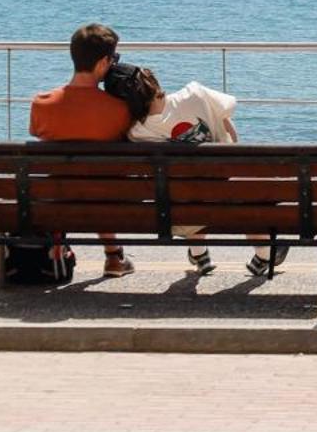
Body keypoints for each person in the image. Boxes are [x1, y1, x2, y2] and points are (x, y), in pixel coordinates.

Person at [104, 63, 289, 280]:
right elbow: (227, 124)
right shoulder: (195, 94)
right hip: (229, 189)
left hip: (184, 209)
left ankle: (200, 254)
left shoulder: (138, 132)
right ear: (152, 80)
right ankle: (265, 254)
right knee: (237, 193)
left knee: (185, 190)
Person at [28, 22, 136, 278]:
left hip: (58, 199)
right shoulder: (119, 110)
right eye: (113, 59)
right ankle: (113, 255)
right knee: (99, 183)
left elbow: (37, 132)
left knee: (69, 180)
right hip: (109, 201)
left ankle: (58, 249)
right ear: (102, 63)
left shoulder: (42, 104)